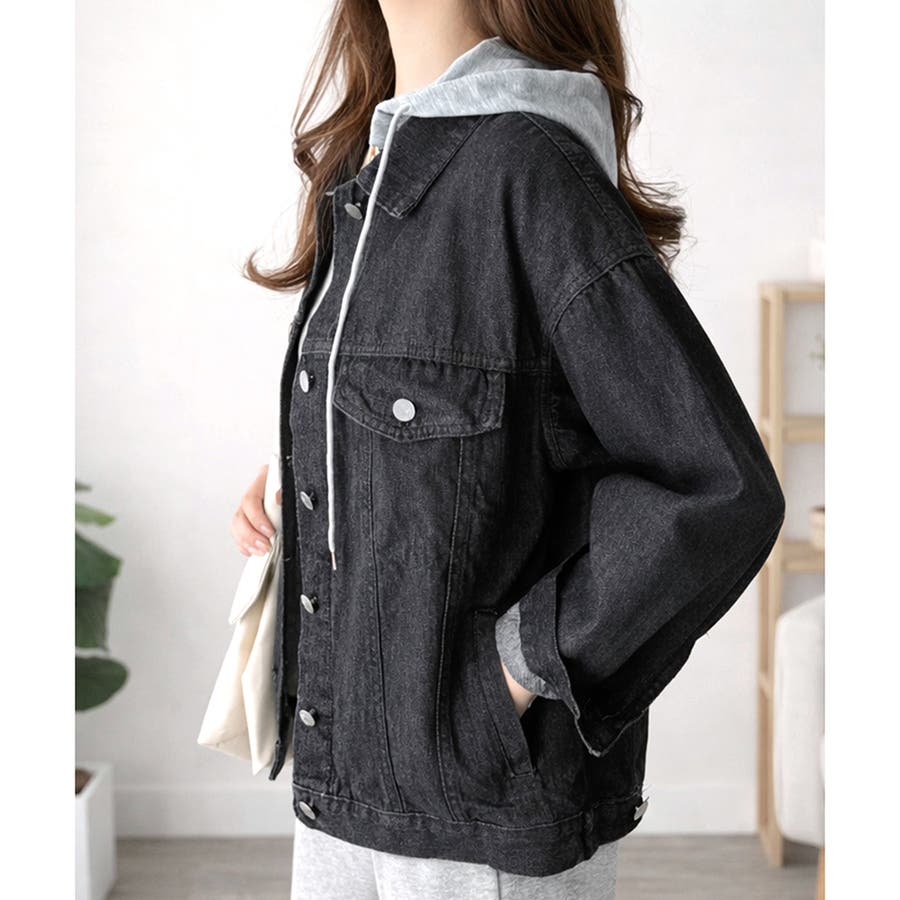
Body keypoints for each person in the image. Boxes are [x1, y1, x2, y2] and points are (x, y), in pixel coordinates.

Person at [230, 2, 786, 898]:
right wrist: (317, 466)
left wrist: (519, 667)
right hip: (343, 782)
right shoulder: (372, 162)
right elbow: (470, 420)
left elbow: (715, 486)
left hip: (479, 810)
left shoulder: (527, 168)